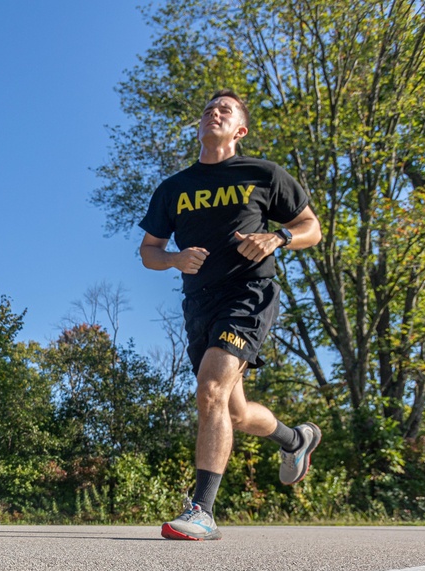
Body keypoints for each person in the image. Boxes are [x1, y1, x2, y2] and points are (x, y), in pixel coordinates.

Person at [138, 89, 323, 541]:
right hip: (199, 302)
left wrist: (277, 238)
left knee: (210, 389)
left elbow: (311, 228)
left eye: (224, 110)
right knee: (233, 411)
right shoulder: (173, 188)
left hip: (248, 293)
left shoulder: (263, 173)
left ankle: (201, 510)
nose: (213, 114)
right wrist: (175, 260)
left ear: (239, 130)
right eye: (207, 110)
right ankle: (295, 439)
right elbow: (148, 252)